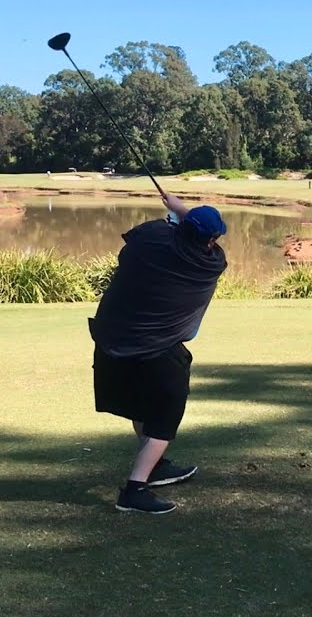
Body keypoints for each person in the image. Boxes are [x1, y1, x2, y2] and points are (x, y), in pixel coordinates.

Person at [88, 191, 228, 514]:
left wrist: (175, 214)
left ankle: (155, 465)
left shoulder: (151, 237)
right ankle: (135, 489)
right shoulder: (211, 262)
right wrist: (181, 208)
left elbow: (136, 248)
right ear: (211, 240)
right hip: (155, 348)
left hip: (111, 339)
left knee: (141, 402)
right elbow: (196, 235)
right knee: (166, 413)